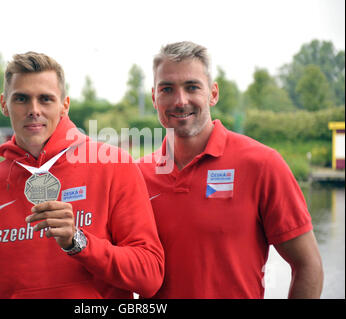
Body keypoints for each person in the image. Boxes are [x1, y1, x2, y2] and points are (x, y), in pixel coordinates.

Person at [0, 52, 164, 299]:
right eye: (21, 99)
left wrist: (78, 241)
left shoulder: (114, 166)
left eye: (45, 99)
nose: (34, 110)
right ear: (4, 104)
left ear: (64, 105)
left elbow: (149, 275)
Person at [136, 41, 323, 299]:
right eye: (167, 89)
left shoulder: (262, 164)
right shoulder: (135, 176)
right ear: (154, 98)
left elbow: (308, 265)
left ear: (213, 93)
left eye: (192, 87)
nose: (180, 101)